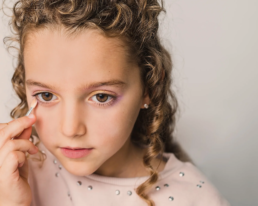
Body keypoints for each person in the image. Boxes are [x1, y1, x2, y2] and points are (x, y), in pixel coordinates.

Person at [0, 0, 231, 205]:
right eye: (46, 96)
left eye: (101, 97)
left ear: (148, 89)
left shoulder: (195, 199)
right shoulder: (15, 176)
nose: (70, 129)